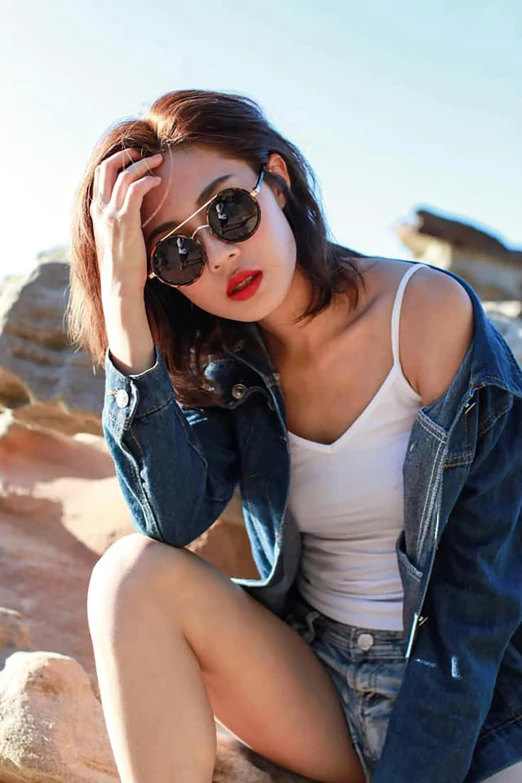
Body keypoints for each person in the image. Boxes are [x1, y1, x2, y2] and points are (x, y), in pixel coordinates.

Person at [68, 89, 522, 783]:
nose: (218, 256)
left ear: (275, 181)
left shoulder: (425, 315)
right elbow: (168, 519)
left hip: (472, 704)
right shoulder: (231, 369)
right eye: (179, 254)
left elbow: (478, 603)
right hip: (317, 683)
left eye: (228, 211)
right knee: (130, 576)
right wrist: (125, 308)